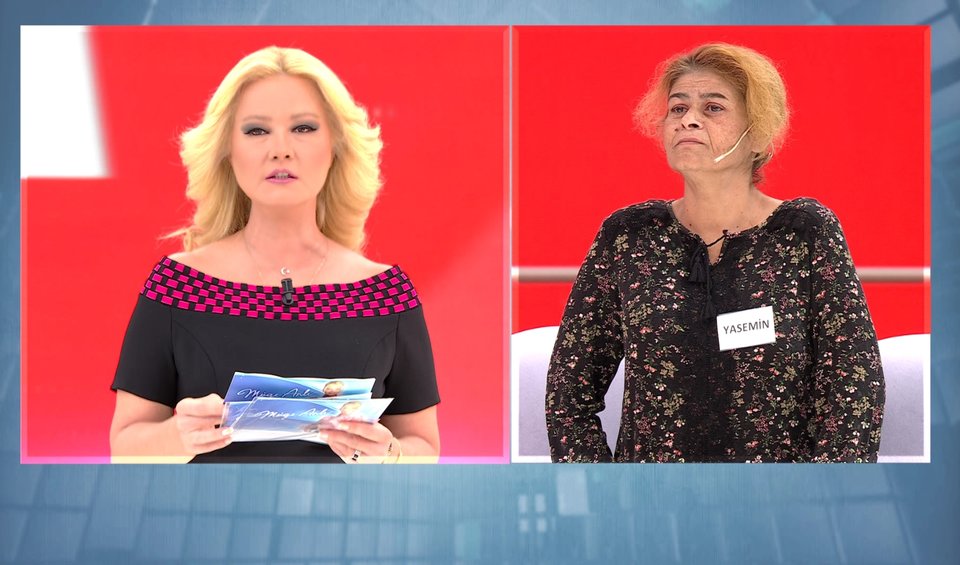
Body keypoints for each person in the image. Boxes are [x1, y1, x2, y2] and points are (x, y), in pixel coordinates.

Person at [545, 43, 885, 463]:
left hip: (779, 496)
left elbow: (855, 387)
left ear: (757, 132)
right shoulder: (629, 235)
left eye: (713, 108)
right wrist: (604, 488)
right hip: (652, 495)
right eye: (678, 108)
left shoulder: (803, 231)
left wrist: (819, 490)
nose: (688, 119)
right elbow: (567, 393)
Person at [110, 46, 440, 463]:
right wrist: (177, 437)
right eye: (256, 131)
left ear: (336, 147)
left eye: (303, 128)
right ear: (227, 150)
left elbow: (424, 448)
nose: (281, 149)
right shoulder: (176, 286)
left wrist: (389, 455)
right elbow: (124, 447)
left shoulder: (386, 293)